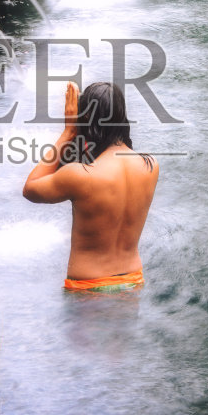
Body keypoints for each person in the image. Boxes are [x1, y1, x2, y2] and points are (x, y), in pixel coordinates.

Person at [22, 81, 160, 291]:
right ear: (122, 115)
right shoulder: (150, 166)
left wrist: (68, 132)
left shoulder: (80, 175)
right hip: (133, 282)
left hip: (88, 289)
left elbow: (30, 189)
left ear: (85, 118)